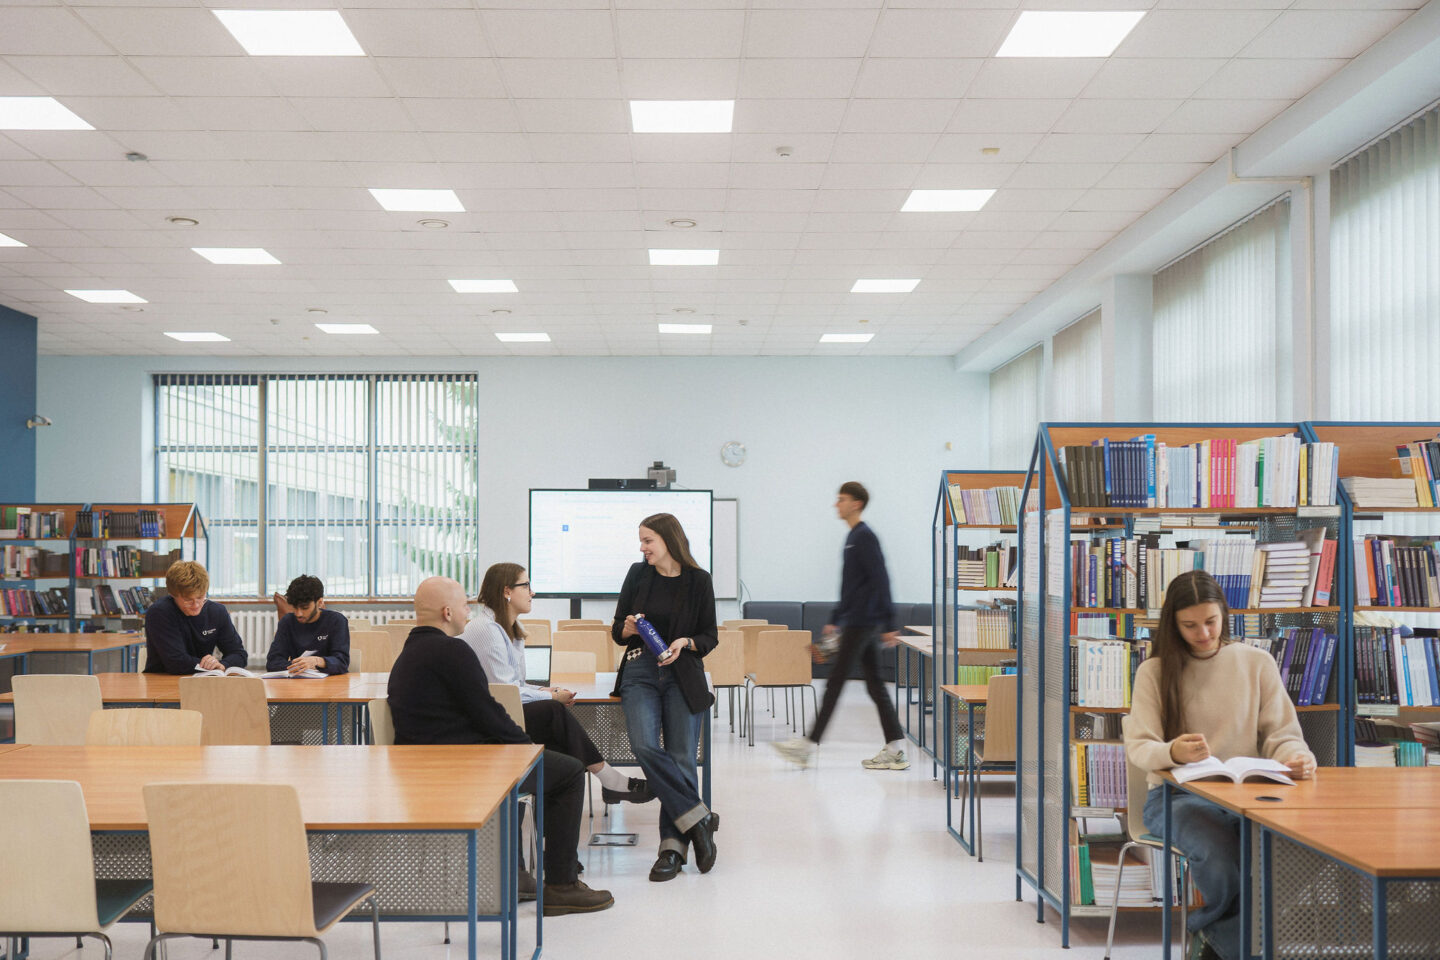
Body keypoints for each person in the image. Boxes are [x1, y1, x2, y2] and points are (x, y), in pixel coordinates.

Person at [387, 576, 613, 916]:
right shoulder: (452, 650)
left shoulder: (409, 653)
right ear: (448, 612)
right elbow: (488, 713)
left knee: (541, 739)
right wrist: (526, 749)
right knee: (567, 772)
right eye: (464, 604)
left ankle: (516, 874)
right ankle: (562, 885)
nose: (469, 609)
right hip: (461, 767)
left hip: (425, 767)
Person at [1125, 569, 1316, 960]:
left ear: (1224, 615)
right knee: (1220, 852)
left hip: (1249, 796)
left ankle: (1215, 937)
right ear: (1173, 625)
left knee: (1303, 852)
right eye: (1190, 625)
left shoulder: (1257, 663)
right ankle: (1245, 948)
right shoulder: (1154, 671)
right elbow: (1140, 746)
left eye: (1211, 621)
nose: (1204, 634)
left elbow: (1283, 735)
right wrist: (1174, 752)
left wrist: (1296, 760)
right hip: (1176, 799)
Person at [462, 561, 652, 804]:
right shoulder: (486, 629)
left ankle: (576, 800)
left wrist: (543, 689)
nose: (533, 593)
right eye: (526, 585)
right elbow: (507, 693)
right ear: (507, 591)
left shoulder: (508, 628)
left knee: (565, 749)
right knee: (552, 710)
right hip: (489, 722)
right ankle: (609, 780)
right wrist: (550, 697)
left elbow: (515, 684)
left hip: (503, 713)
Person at [611, 513, 720, 882]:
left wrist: (686, 642)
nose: (642, 548)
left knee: (681, 758)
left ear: (669, 540)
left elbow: (709, 636)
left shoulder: (698, 581)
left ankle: (671, 849)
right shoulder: (637, 574)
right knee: (643, 746)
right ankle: (698, 817)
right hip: (641, 670)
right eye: (641, 541)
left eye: (647, 541)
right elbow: (617, 631)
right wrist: (625, 628)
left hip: (683, 675)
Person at [773, 481, 907, 770]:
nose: (836, 504)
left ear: (856, 503)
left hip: (863, 623)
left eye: (841, 499)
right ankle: (895, 749)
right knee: (875, 686)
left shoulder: (865, 536)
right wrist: (836, 619)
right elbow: (852, 587)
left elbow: (880, 579)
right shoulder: (853, 537)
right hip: (857, 621)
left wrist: (889, 623)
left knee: (834, 683)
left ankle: (807, 746)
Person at [143, 560, 247, 674]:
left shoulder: (217, 612)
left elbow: (239, 654)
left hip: (202, 679)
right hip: (161, 681)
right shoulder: (159, 613)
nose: (196, 605)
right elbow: (176, 663)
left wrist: (222, 665)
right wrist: (211, 667)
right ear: (173, 595)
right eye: (188, 600)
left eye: (200, 597)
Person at [265, 574, 350, 675]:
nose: (298, 613)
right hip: (298, 682)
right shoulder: (287, 622)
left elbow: (342, 662)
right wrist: (300, 665)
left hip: (330, 682)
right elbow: (273, 663)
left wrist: (317, 662)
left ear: (319, 603)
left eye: (304, 608)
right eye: (295, 608)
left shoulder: (336, 621)